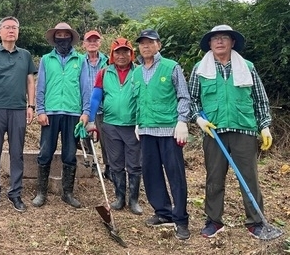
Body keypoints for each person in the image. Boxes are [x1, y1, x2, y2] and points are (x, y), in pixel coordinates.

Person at [189, 25, 273, 239]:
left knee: (249, 177)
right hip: (213, 132)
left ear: (232, 42)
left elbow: (260, 99)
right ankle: (214, 221)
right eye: (215, 38)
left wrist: (264, 126)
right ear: (209, 43)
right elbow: (191, 100)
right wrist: (199, 120)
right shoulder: (200, 69)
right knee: (214, 178)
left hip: (243, 129)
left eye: (224, 38)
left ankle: (255, 222)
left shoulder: (247, 67)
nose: (219, 42)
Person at [132, 29, 191, 240]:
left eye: (150, 42)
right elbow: (136, 100)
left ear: (159, 45)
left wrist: (182, 121)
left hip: (169, 130)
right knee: (151, 173)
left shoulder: (171, 67)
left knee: (175, 174)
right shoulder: (136, 72)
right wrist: (136, 123)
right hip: (146, 130)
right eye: (142, 43)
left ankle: (181, 219)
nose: (146, 46)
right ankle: (163, 213)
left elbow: (184, 96)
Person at [0, 16, 37, 212]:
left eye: (14, 27)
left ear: (18, 32)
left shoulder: (26, 55)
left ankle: (15, 193)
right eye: (7, 27)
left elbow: (30, 82)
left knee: (16, 153)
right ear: (0, 32)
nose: (11, 30)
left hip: (18, 109)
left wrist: (31, 106)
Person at [33, 22, 90, 208]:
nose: (62, 38)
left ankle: (67, 192)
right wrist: (40, 110)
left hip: (73, 113)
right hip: (50, 112)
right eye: (59, 35)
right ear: (54, 38)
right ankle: (41, 192)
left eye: (66, 35)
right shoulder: (46, 60)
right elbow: (40, 86)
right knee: (45, 152)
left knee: (69, 154)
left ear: (71, 38)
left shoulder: (81, 60)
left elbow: (85, 88)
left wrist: (86, 112)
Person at [87, 38, 142, 214]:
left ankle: (133, 200)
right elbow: (96, 97)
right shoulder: (104, 73)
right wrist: (89, 119)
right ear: (112, 54)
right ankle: (119, 198)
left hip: (133, 125)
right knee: (115, 163)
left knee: (134, 164)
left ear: (131, 54)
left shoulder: (140, 72)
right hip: (110, 125)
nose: (121, 55)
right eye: (117, 52)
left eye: (125, 51)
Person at [82, 30, 110, 180]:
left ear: (100, 43)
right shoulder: (79, 61)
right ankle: (91, 166)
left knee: (107, 139)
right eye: (89, 40)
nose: (92, 43)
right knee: (86, 137)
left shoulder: (108, 61)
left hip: (105, 108)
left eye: (95, 40)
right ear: (84, 44)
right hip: (86, 107)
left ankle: (109, 168)